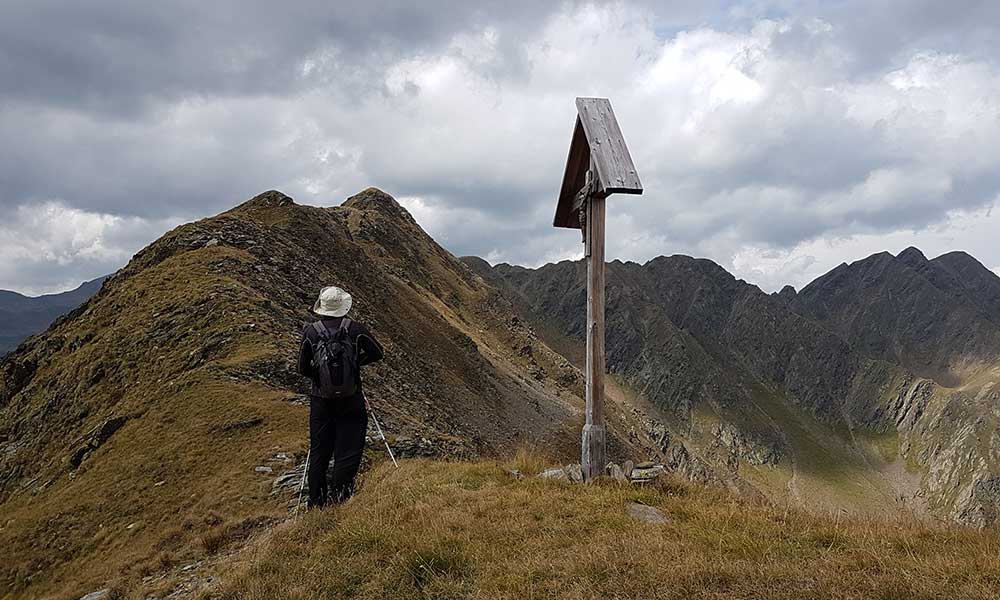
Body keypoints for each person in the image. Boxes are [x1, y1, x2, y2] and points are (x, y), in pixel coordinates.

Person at [297, 285, 384, 507]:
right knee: (349, 449)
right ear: (343, 307)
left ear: (322, 308)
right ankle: (341, 499)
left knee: (319, 451)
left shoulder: (311, 332)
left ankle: (316, 503)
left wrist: (318, 376)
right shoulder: (355, 329)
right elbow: (378, 352)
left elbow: (301, 367)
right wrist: (354, 365)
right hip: (351, 398)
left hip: (321, 401)